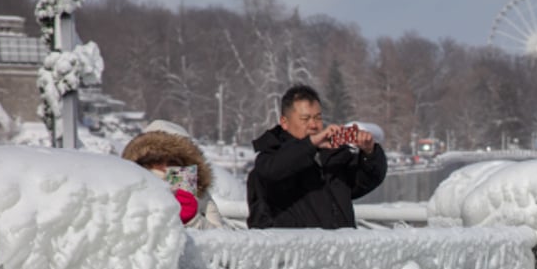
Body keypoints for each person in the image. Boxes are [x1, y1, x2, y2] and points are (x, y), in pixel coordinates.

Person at [247, 84, 387, 229]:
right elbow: (273, 170)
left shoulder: (333, 156)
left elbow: (367, 180)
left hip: (340, 248)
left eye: (318, 118)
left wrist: (369, 152)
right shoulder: (270, 158)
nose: (313, 125)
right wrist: (311, 144)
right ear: (285, 122)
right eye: (305, 119)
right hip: (296, 249)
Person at [121, 120, 236, 229]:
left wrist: (193, 220)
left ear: (186, 165)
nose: (164, 168)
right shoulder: (127, 189)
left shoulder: (200, 195)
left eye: (172, 162)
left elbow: (220, 238)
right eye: (156, 161)